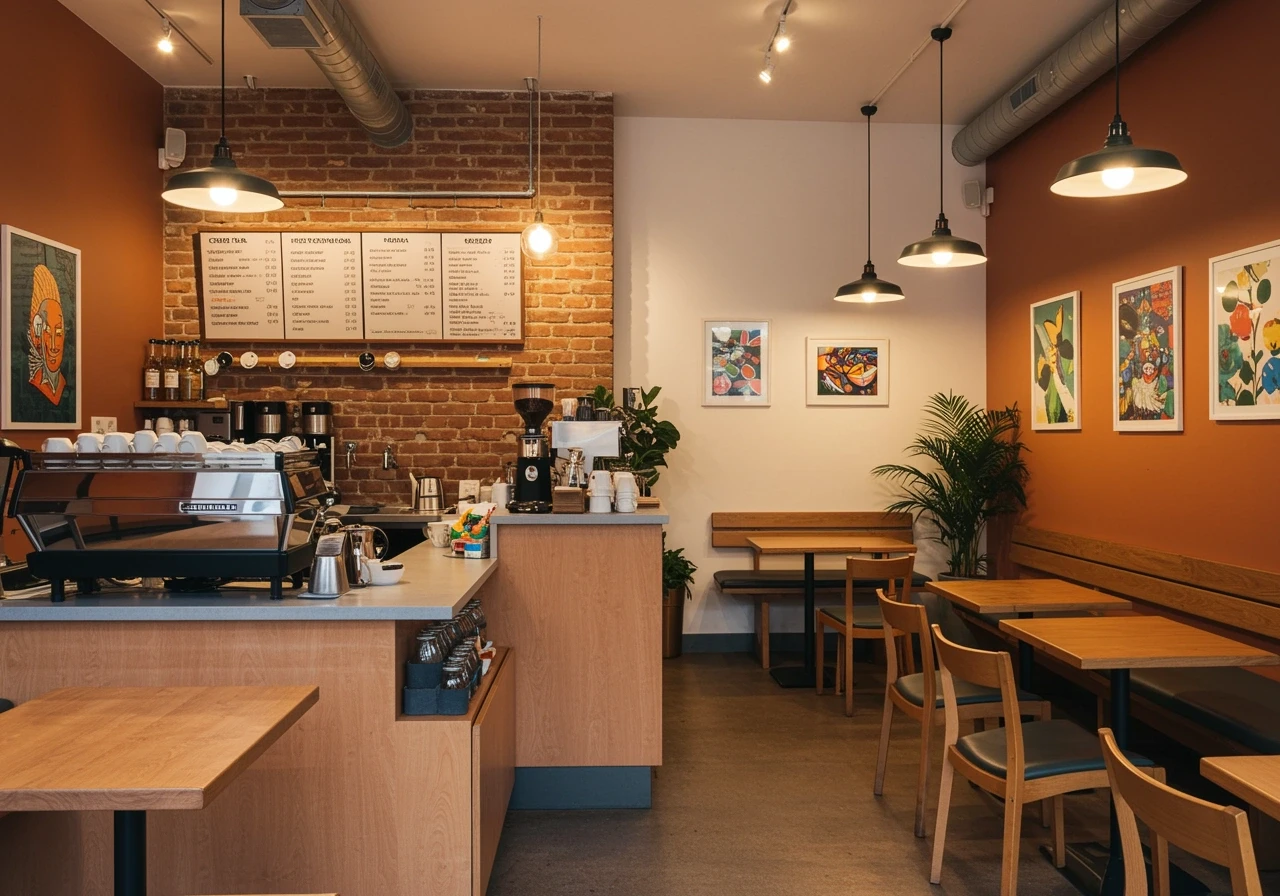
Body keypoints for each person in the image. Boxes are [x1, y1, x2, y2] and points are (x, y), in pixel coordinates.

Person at [26, 264, 66, 406]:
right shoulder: (32, 386)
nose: (54, 346)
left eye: (59, 332)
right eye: (47, 332)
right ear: (36, 335)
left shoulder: (65, 387)